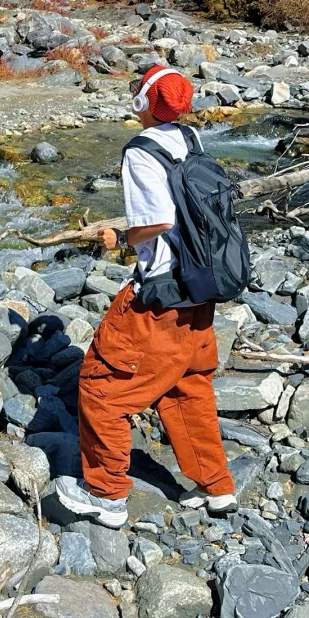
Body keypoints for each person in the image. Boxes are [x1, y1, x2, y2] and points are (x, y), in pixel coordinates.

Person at [56, 64, 237, 528]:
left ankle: (107, 494)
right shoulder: (191, 141)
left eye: (136, 88)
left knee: (101, 390)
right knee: (186, 387)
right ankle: (216, 487)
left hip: (158, 300)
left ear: (143, 102)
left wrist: (118, 237)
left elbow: (157, 220)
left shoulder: (140, 151)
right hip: (199, 294)